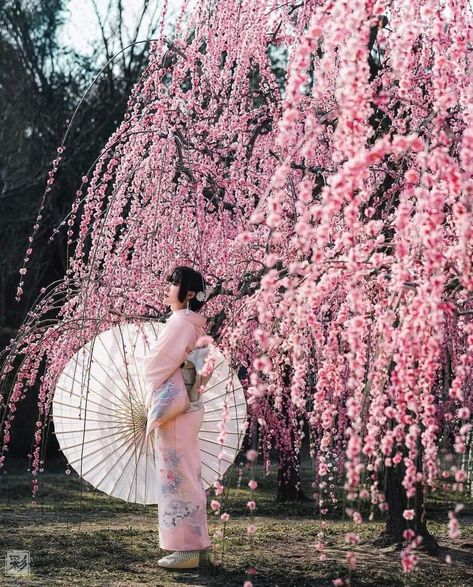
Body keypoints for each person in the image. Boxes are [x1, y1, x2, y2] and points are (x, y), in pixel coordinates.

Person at [142, 265, 212, 569]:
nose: (168, 287)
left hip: (176, 408)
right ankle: (197, 544)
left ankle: (185, 550)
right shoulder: (193, 324)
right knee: (188, 472)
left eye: (175, 283)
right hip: (187, 406)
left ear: (191, 293)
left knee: (176, 475)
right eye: (170, 282)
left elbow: (155, 366)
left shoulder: (181, 323)